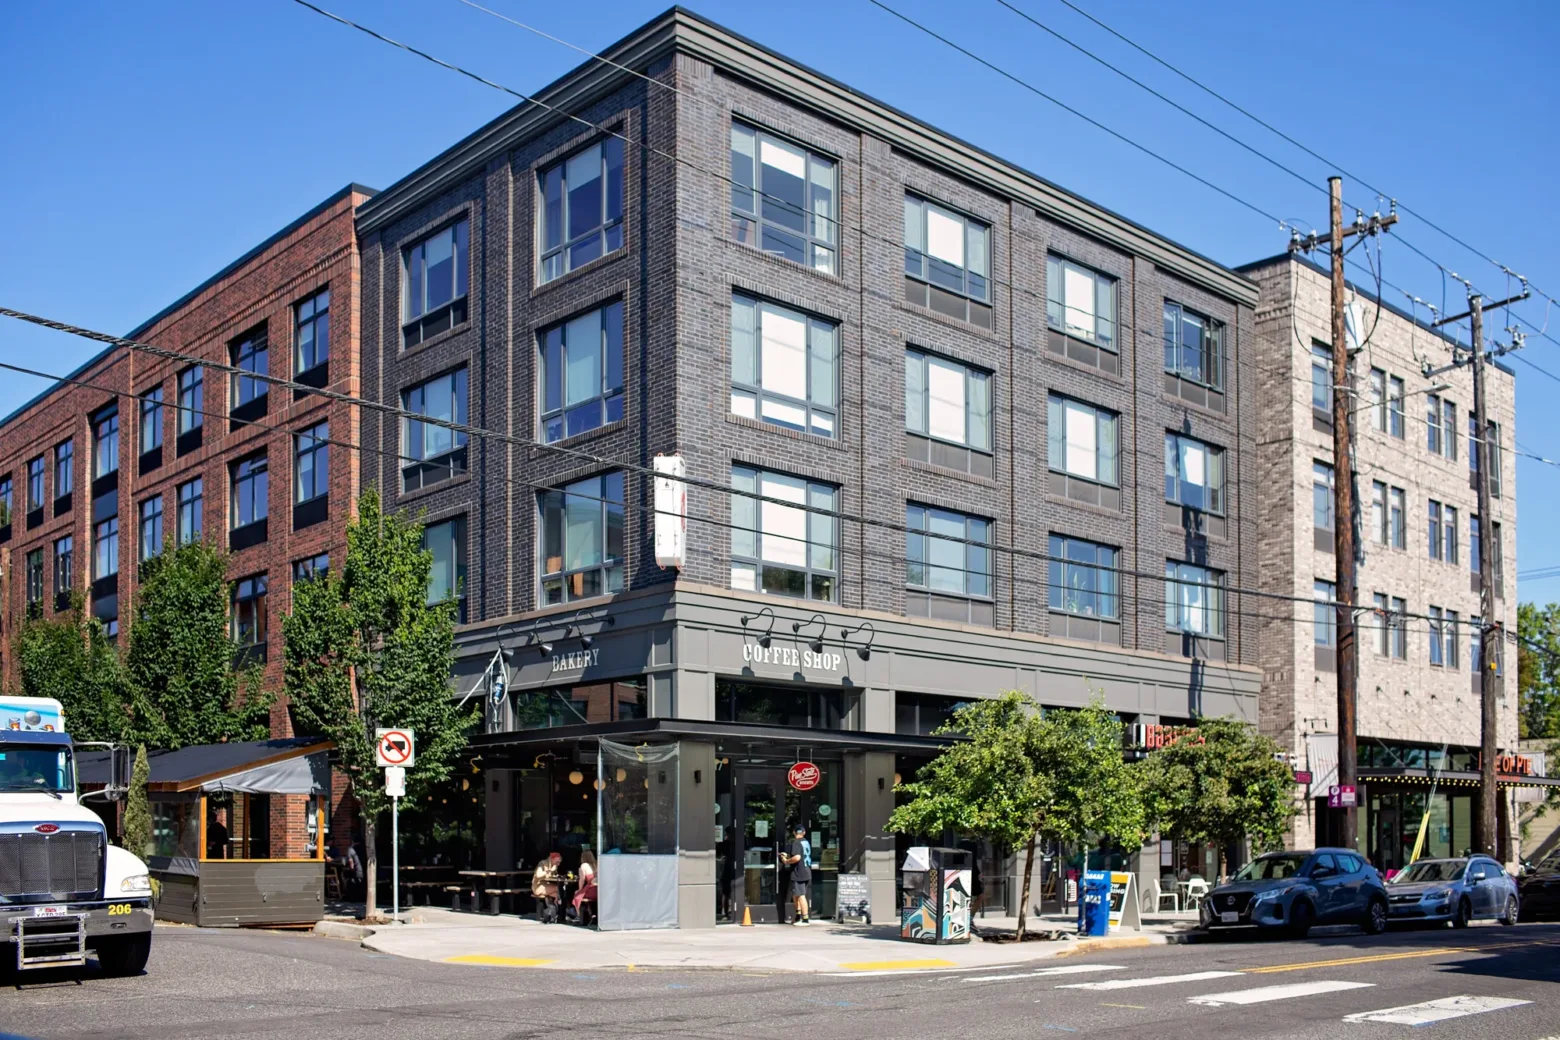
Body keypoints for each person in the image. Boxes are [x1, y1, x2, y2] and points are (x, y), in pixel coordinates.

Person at [782, 825, 812, 926]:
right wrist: (789, 856)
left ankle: (805, 919)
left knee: (801, 896)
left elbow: (797, 857)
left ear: (794, 833)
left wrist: (786, 861)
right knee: (796, 895)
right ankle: (798, 916)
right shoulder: (806, 842)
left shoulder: (796, 843)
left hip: (799, 872)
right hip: (806, 871)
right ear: (804, 833)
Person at [532, 852, 564, 923]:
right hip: (538, 886)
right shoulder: (542, 863)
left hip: (547, 885)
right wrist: (549, 870)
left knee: (559, 894)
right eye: (557, 862)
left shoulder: (554, 866)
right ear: (552, 859)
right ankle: (555, 913)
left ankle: (554, 914)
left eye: (559, 862)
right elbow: (538, 875)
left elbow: (553, 876)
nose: (558, 864)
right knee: (558, 888)